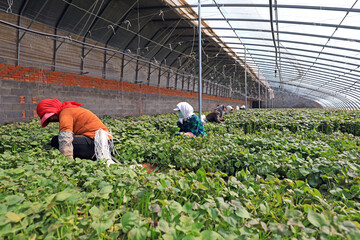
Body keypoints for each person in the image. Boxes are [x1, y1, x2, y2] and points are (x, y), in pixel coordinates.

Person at [36, 98, 115, 164]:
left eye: (50, 116)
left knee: (55, 141)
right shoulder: (70, 109)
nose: (51, 119)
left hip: (96, 145)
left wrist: (67, 159)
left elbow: (65, 137)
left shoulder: (65, 113)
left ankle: (90, 157)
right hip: (104, 144)